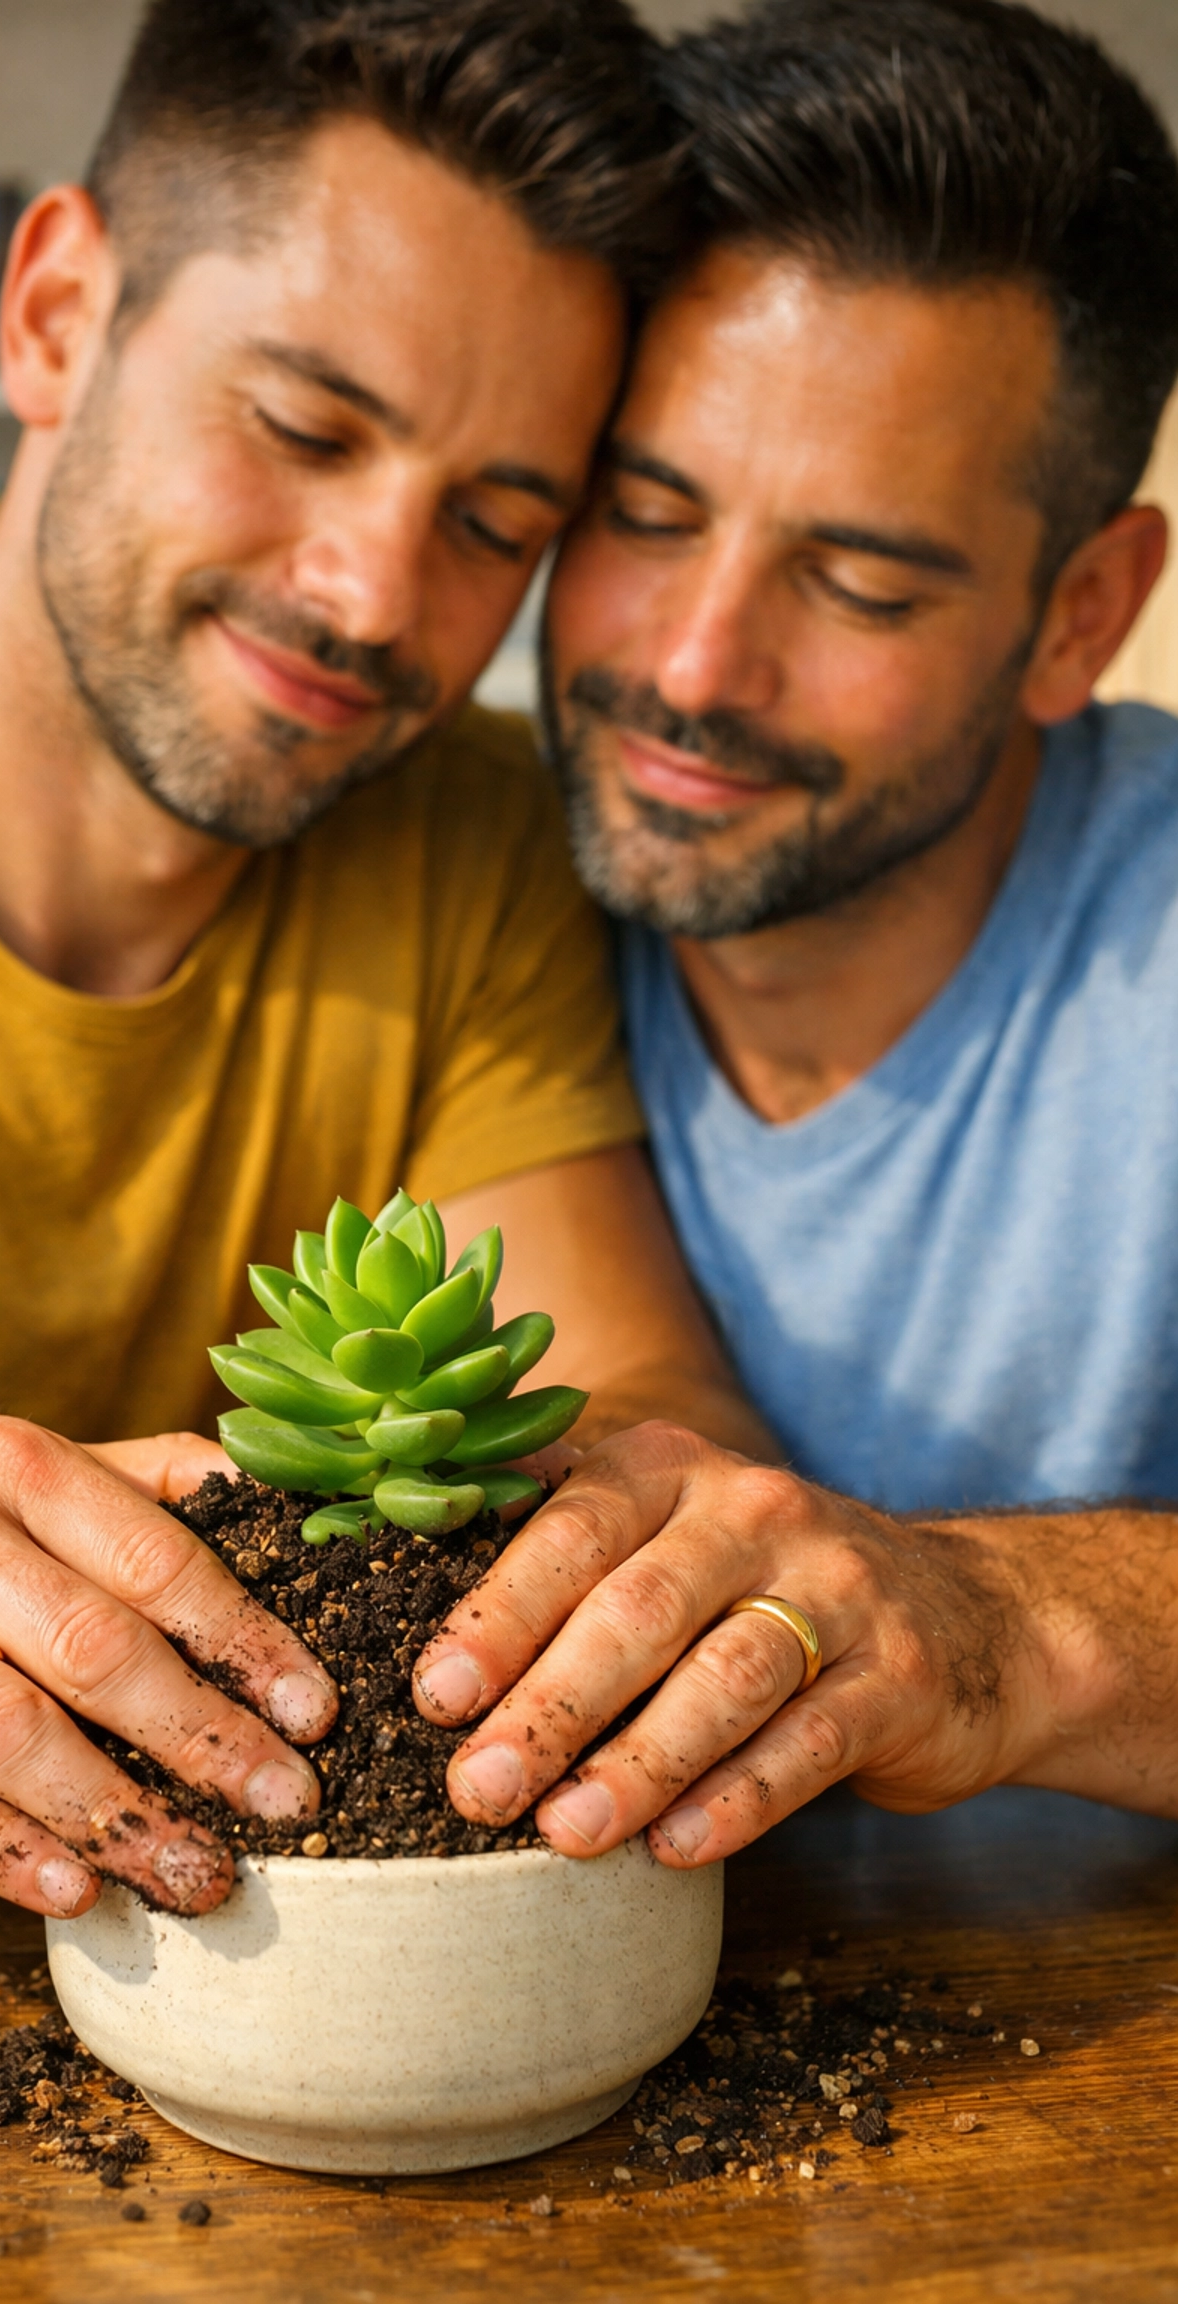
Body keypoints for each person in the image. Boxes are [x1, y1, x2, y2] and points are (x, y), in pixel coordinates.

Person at [0, 0, 759, 1921]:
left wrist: (657, 1549)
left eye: (497, 524)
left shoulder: (477, 833)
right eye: (304, 427)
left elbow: (641, 1388)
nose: (374, 599)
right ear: (59, 312)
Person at [415, 0, 1178, 1869]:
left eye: (857, 581)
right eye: (645, 514)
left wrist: (996, 1623)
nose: (690, 670)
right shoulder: (433, 872)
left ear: (1083, 611)